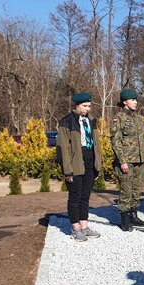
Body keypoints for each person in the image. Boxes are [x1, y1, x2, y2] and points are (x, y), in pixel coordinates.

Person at [56, 92, 103, 241]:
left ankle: (84, 226)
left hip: (89, 162)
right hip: (75, 164)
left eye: (89, 106)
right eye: (85, 106)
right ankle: (76, 228)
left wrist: (97, 165)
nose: (88, 109)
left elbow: (96, 145)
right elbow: (63, 148)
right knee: (75, 197)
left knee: (85, 196)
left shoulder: (91, 121)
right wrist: (67, 171)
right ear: (77, 105)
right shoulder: (67, 121)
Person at [111, 89, 144, 231]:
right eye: (132, 100)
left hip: (140, 160)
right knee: (126, 191)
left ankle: (134, 215)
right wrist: (122, 161)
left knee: (136, 190)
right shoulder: (119, 118)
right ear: (124, 102)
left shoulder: (139, 119)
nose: (135, 102)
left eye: (136, 100)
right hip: (127, 161)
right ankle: (125, 219)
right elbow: (116, 141)